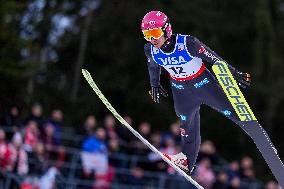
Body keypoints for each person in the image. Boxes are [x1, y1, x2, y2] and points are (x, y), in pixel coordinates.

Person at [141, 10, 284, 184]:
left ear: (167, 30)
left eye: (155, 33)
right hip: (180, 90)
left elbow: (213, 58)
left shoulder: (187, 43)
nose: (152, 39)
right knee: (186, 125)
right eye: (147, 35)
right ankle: (186, 161)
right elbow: (153, 67)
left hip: (204, 85)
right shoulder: (150, 49)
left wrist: (233, 73)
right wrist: (154, 85)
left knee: (240, 117)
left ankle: (270, 154)